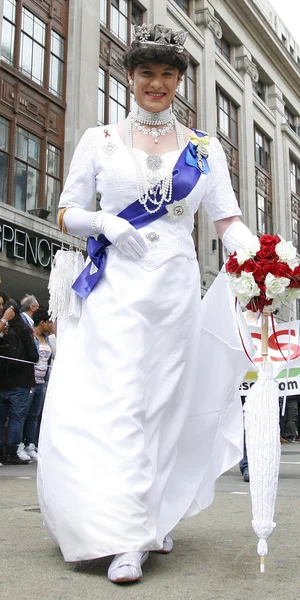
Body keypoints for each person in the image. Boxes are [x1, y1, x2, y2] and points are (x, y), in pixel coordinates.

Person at [38, 24, 254, 584]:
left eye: (167, 74)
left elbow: (227, 221)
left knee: (163, 404)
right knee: (120, 405)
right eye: (146, 73)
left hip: (175, 289)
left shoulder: (204, 152)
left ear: (180, 80)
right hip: (115, 287)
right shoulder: (100, 139)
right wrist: (104, 220)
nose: (156, 83)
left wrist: (266, 259)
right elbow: (66, 212)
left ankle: (150, 515)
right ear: (130, 76)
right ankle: (124, 535)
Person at [0, 299, 38, 465]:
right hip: (21, 381)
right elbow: (33, 356)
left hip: (2, 380)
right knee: (17, 417)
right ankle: (13, 450)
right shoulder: (22, 331)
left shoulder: (4, 331)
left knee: (1, 417)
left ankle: (1, 450)